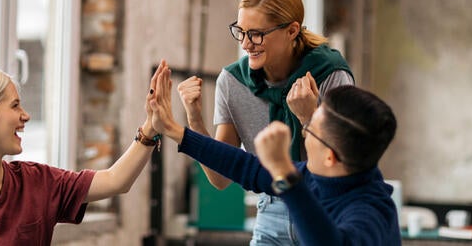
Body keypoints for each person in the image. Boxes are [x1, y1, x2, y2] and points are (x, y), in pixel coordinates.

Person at [0, 61, 170, 245]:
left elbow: (116, 180)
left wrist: (151, 127)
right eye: (15, 106)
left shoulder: (37, 182)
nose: (26, 116)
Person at [177, 0, 354, 245]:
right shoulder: (233, 81)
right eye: (241, 31)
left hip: (327, 208)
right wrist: (193, 117)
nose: (246, 44)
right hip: (271, 210)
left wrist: (309, 118)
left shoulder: (331, 75)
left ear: (292, 30)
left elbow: (343, 166)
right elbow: (221, 178)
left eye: (257, 34)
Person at [150, 64, 399, 245]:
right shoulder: (323, 177)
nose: (304, 134)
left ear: (330, 157)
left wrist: (285, 173)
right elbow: (245, 166)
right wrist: (172, 128)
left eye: (310, 129)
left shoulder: (370, 213)